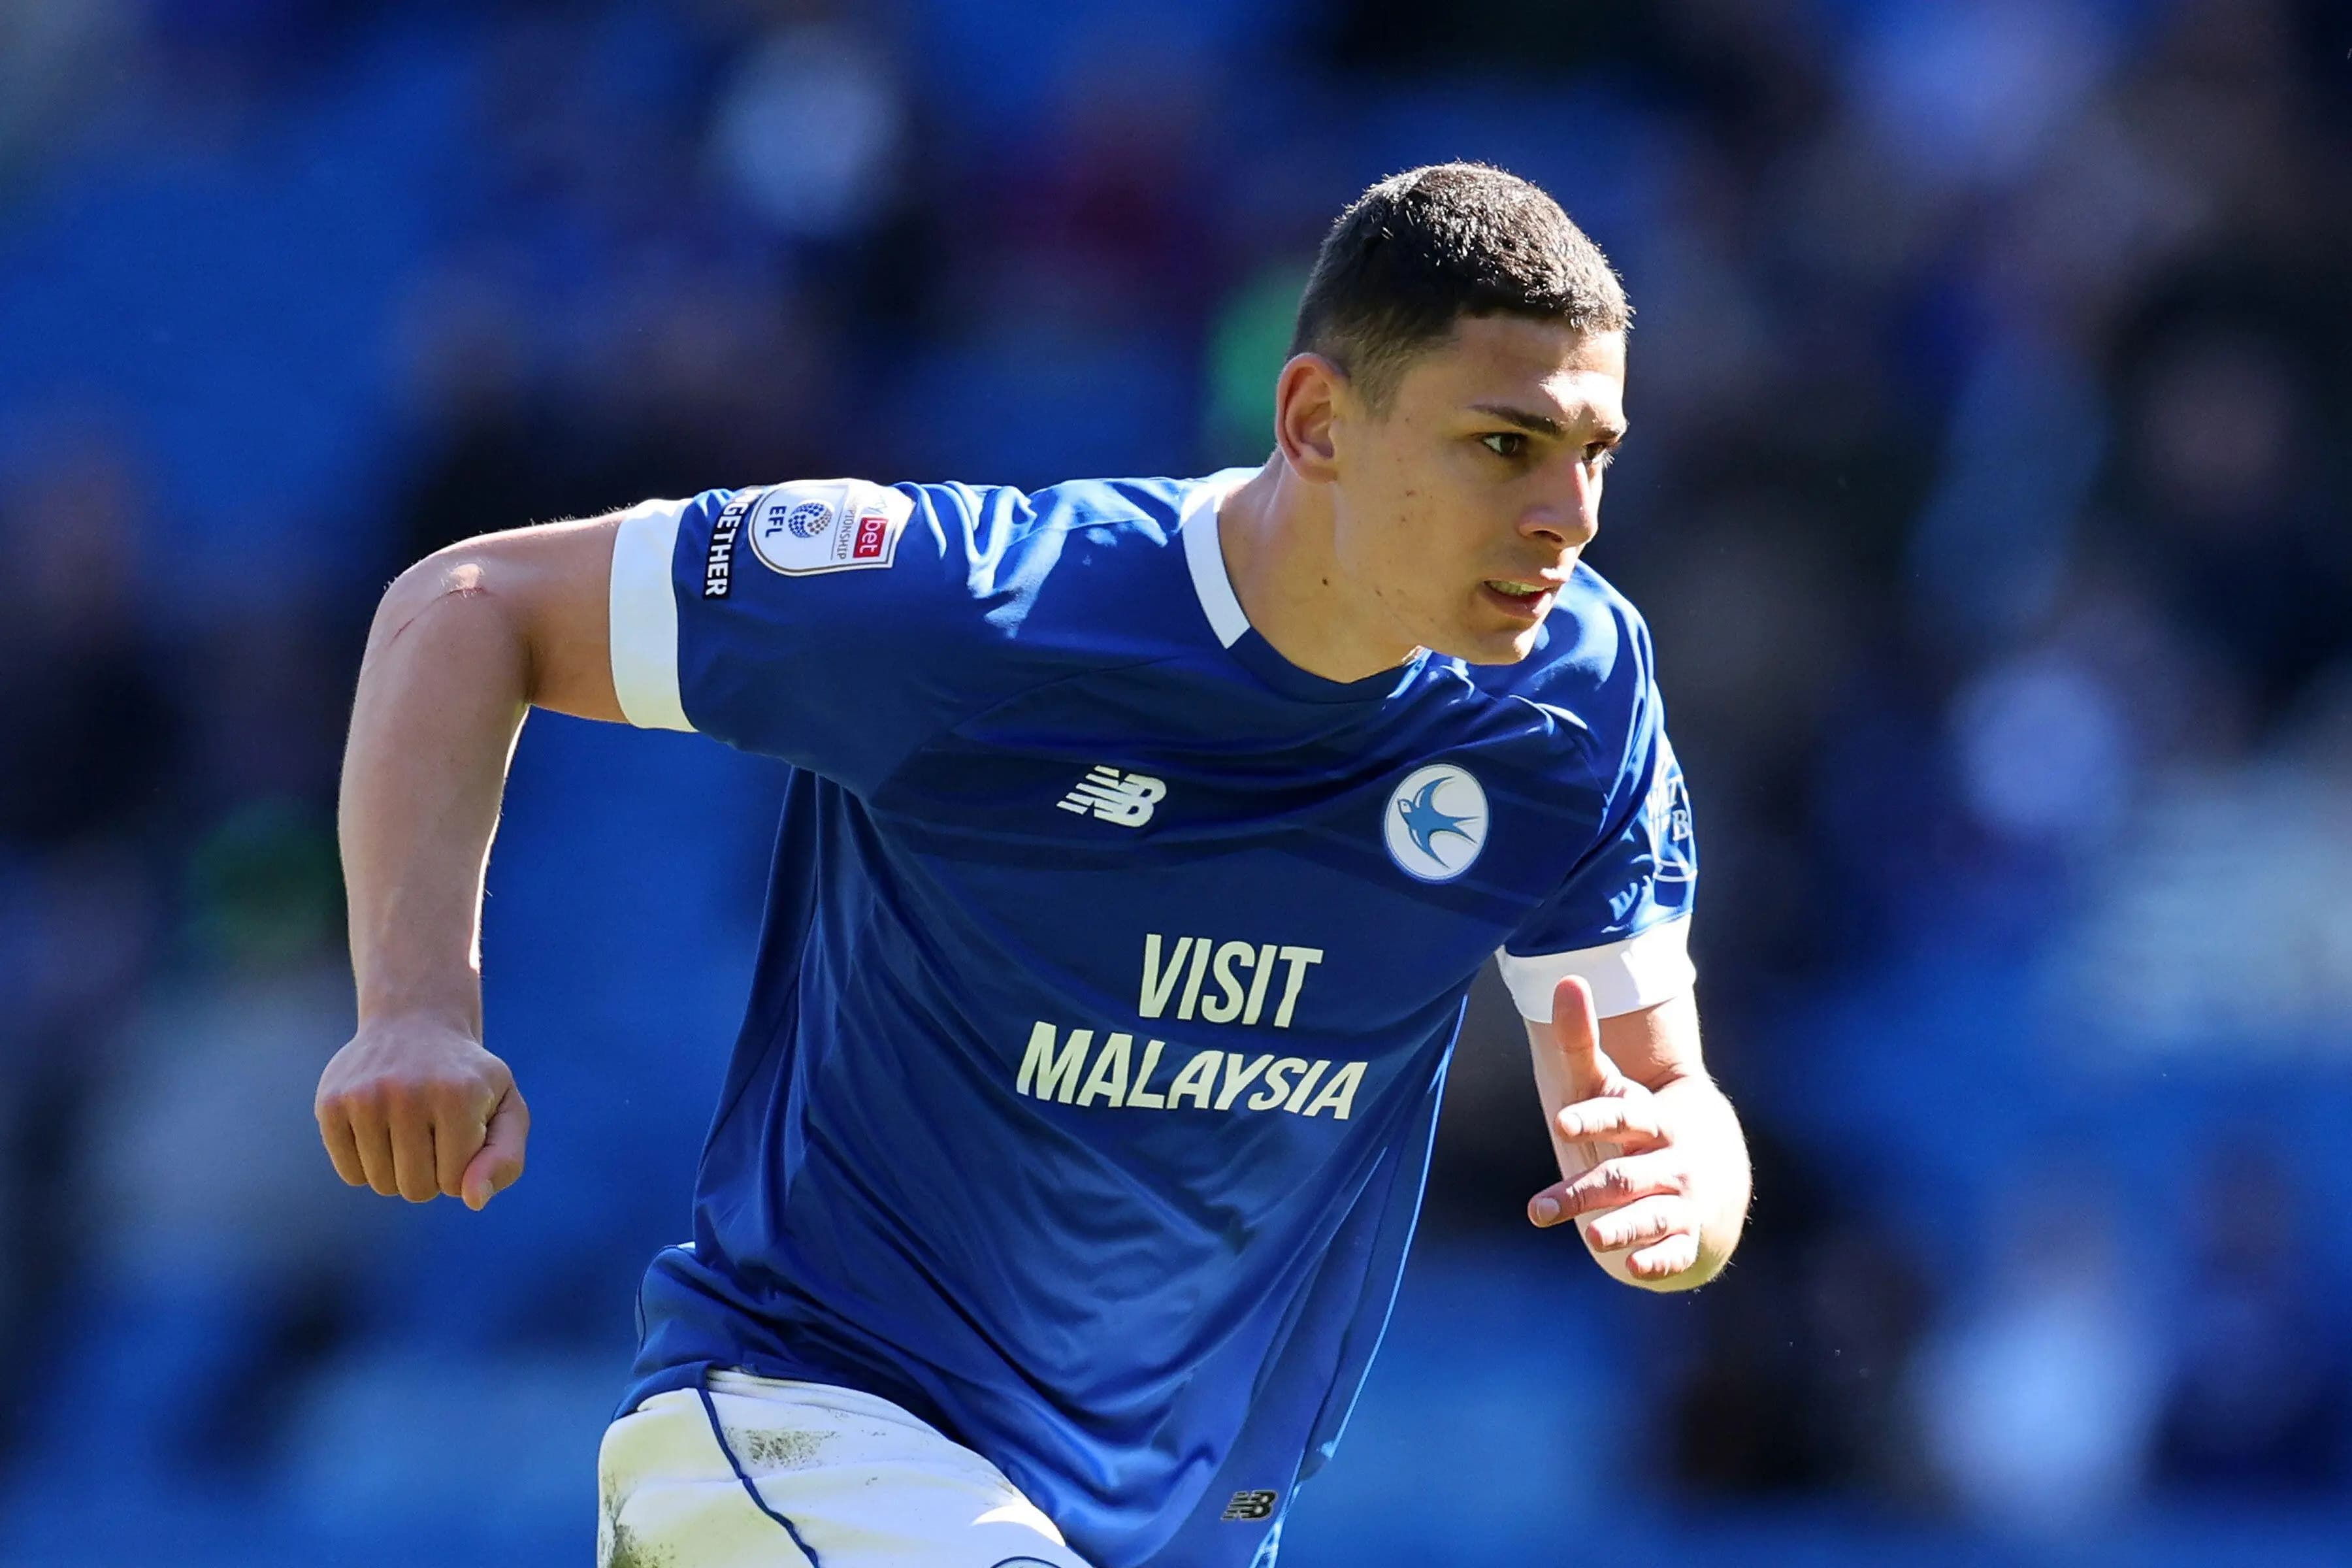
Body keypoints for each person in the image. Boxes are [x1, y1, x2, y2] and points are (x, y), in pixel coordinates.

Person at [316, 161, 1752, 1568]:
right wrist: (416, 1008)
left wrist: (1684, 1198)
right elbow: (469, 601)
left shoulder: (1574, 699)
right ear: (1318, 421)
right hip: (817, 1437)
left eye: (1596, 454)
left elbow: (1660, 1095)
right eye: (1507, 445)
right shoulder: (986, 611)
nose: (1570, 514)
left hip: (1165, 1529)